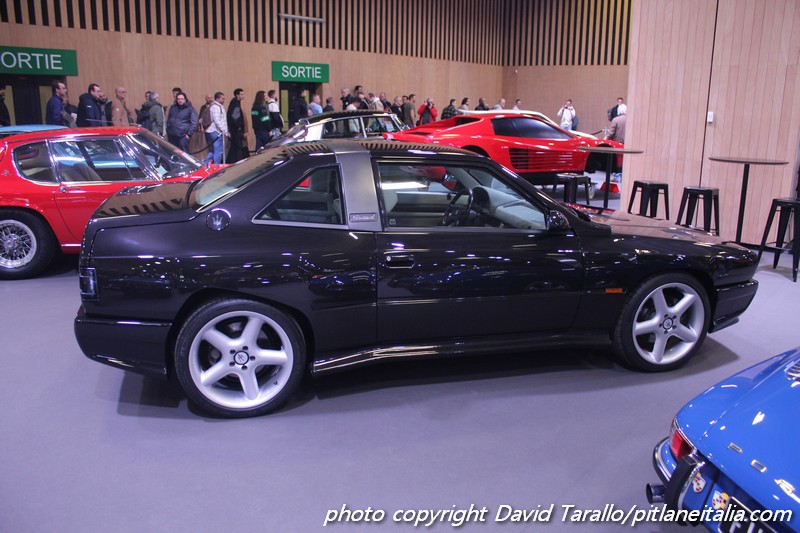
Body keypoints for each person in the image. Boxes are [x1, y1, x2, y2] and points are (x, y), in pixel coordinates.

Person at [204, 91, 228, 164]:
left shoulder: (214, 106)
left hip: (210, 131)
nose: (223, 100)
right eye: (222, 99)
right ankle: (217, 166)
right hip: (215, 131)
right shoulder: (216, 107)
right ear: (217, 99)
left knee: (213, 150)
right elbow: (217, 120)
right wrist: (224, 130)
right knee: (218, 150)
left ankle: (205, 164)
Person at [226, 88, 248, 163]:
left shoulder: (234, 103)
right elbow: (235, 117)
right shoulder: (236, 105)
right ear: (237, 95)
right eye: (241, 94)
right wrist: (239, 127)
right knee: (238, 146)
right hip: (236, 129)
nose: (243, 96)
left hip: (234, 129)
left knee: (234, 146)